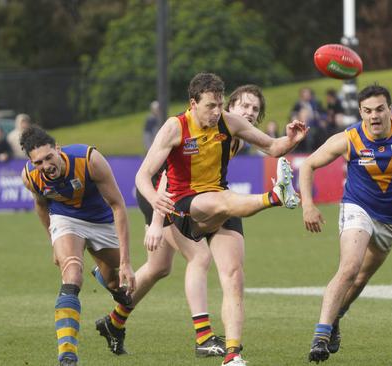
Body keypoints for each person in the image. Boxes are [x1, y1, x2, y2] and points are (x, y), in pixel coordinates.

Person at [137, 73, 307, 366]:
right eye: (210, 106)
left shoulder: (230, 123)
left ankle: (232, 354)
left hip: (218, 198)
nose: (216, 112)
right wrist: (155, 209)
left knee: (233, 275)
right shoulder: (174, 127)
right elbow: (143, 175)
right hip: (184, 205)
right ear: (193, 103)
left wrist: (292, 138)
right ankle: (275, 197)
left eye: (219, 105)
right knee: (222, 207)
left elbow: (273, 147)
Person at [93, 84, 268, 359]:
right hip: (158, 192)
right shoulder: (204, 126)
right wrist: (156, 221)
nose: (249, 112)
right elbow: (166, 177)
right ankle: (204, 337)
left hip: (175, 195)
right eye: (244, 106)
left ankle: (114, 322)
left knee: (158, 267)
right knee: (199, 257)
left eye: (255, 109)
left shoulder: (235, 135)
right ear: (228, 106)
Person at [299, 83, 392, 363]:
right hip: (357, 208)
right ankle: (320, 335)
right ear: (360, 112)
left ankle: (337, 317)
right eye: (367, 111)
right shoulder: (349, 138)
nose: (374, 116)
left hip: (391, 220)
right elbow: (308, 165)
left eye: (379, 109)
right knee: (350, 268)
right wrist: (308, 204)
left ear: (390, 109)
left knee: (362, 278)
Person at [19, 126, 136, 366]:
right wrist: (53, 239)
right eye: (38, 162)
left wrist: (125, 262)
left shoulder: (89, 159)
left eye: (49, 157)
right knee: (71, 274)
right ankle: (67, 356)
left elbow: (118, 205)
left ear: (58, 150)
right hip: (66, 219)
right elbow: (41, 205)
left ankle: (104, 277)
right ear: (32, 163)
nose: (46, 165)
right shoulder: (30, 176)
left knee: (117, 284)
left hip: (102, 221)